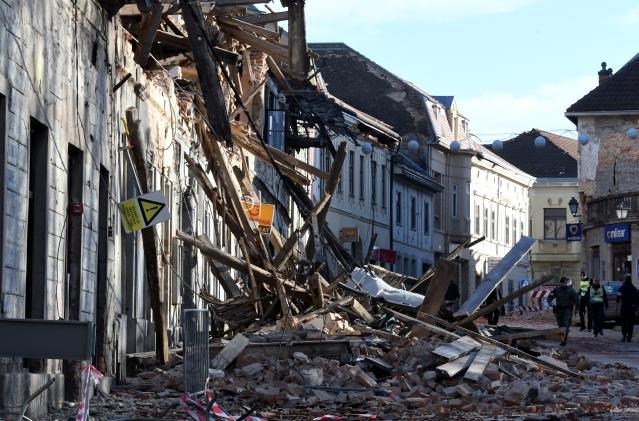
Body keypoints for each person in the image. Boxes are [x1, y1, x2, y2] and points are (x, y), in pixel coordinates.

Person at [547, 277, 578, 346]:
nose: (565, 284)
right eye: (563, 283)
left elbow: (576, 299)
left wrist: (576, 309)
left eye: (566, 282)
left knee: (565, 324)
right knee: (560, 325)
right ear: (561, 283)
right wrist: (551, 304)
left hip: (567, 310)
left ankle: (564, 339)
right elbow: (550, 297)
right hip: (558, 310)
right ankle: (562, 337)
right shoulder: (557, 290)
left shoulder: (571, 290)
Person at [617, 275, 639, 342]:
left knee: (624, 322)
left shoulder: (621, 288)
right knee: (630, 323)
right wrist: (636, 308)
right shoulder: (634, 289)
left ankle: (624, 336)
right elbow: (637, 299)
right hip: (632, 308)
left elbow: (618, 298)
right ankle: (629, 337)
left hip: (624, 308)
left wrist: (617, 307)